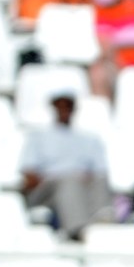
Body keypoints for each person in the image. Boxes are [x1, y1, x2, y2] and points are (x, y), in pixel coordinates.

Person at [19, 90, 115, 240]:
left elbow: (99, 170)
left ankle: (103, 224)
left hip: (81, 186)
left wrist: (81, 178)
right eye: (60, 106)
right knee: (68, 181)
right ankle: (77, 233)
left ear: (74, 108)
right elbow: (29, 175)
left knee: (98, 180)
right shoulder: (38, 137)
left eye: (68, 106)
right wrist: (56, 178)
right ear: (53, 107)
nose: (64, 110)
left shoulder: (89, 139)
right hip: (48, 188)